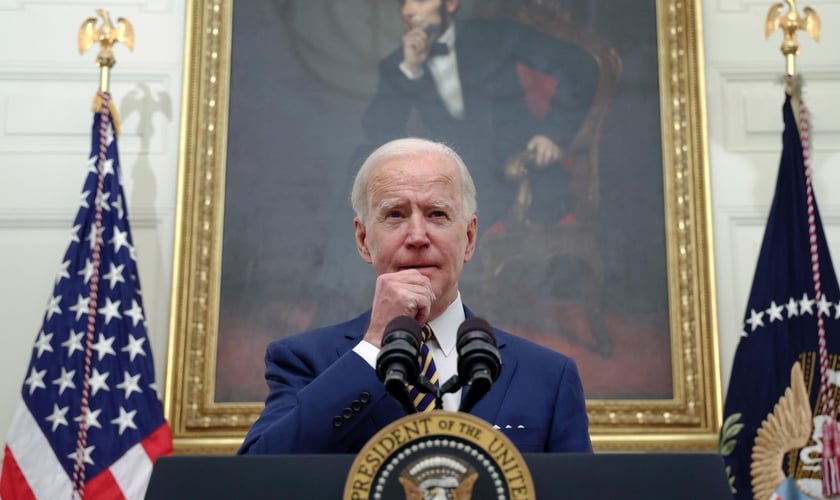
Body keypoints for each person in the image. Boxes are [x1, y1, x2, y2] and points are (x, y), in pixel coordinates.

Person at [238, 137, 592, 454]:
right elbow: (258, 478)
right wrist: (375, 345)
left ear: (469, 238)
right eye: (395, 214)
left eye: (437, 214)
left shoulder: (549, 377)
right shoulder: (305, 362)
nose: (418, 236)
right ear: (363, 240)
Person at [361, 0, 599, 229]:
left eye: (421, 0)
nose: (408, 10)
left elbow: (580, 66)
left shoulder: (496, 36)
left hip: (522, 178)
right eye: (403, 2)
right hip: (455, 185)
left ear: (451, 3)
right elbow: (380, 135)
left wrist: (553, 134)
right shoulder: (399, 65)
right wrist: (410, 71)